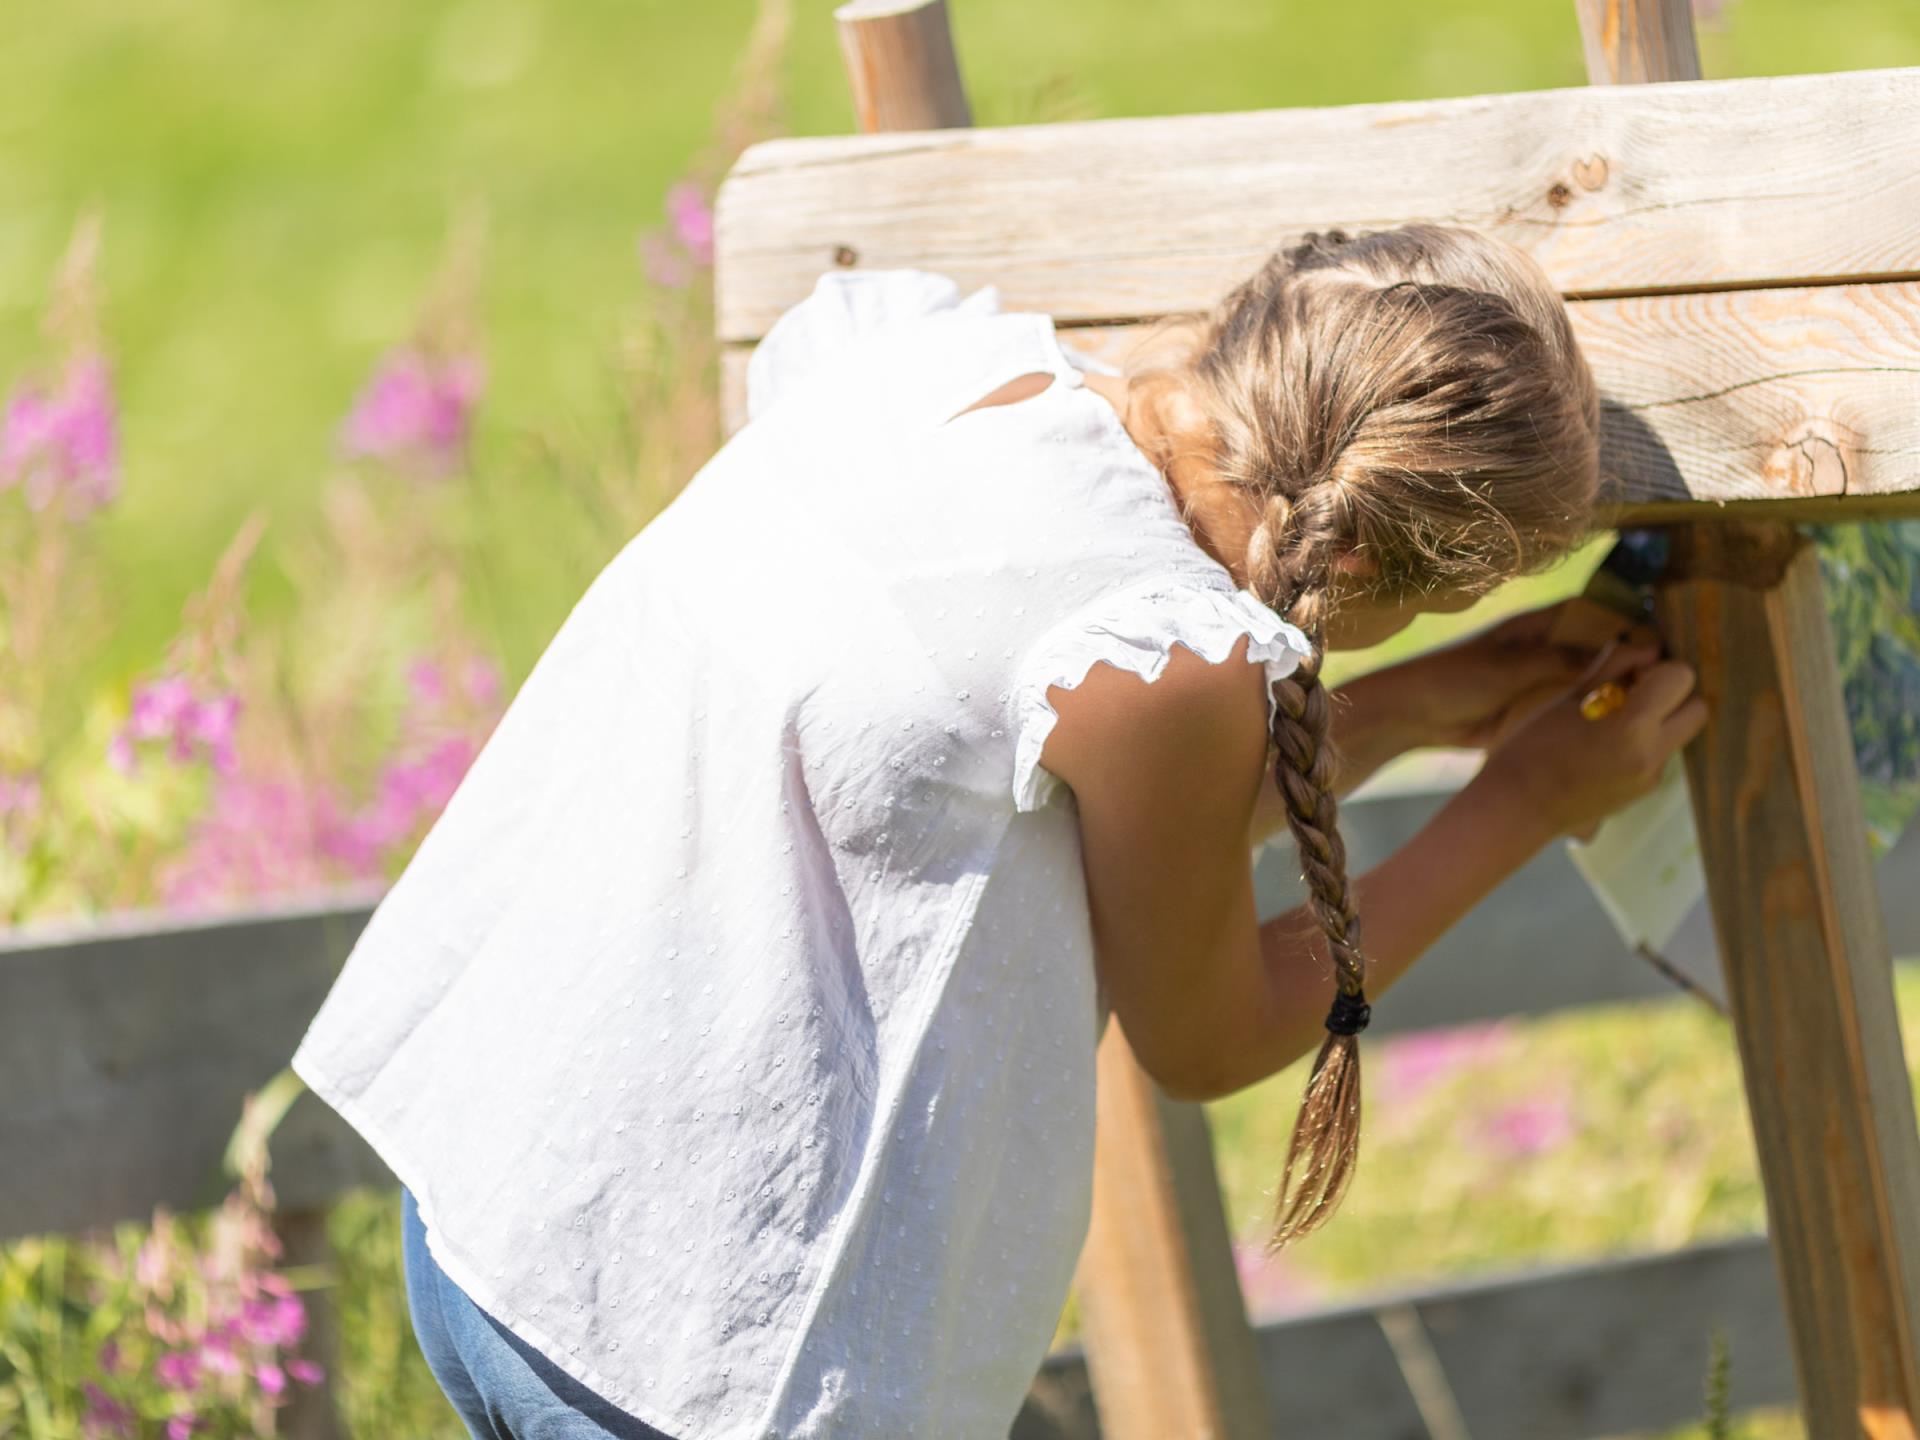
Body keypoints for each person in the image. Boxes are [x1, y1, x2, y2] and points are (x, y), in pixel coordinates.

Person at [290, 223, 1705, 1439]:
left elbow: (984, 774)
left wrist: (1424, 700)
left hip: (506, 1214)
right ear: (1360, 561)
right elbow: (1209, 1033)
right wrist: (1527, 800)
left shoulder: (949, 370)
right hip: (688, 1340)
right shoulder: (1172, 667)